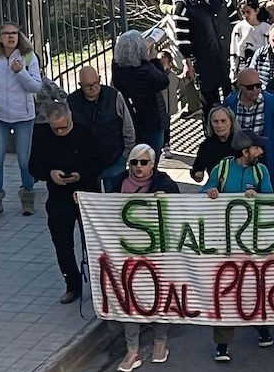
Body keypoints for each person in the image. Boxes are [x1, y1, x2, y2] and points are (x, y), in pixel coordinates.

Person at [102, 142, 179, 371]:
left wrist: (167, 199)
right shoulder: (119, 183)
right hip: (127, 254)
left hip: (157, 255)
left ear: (153, 164)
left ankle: (159, 342)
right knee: (129, 300)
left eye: (143, 162)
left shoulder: (165, 183)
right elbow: (105, 210)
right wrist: (86, 202)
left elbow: (180, 211)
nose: (138, 166)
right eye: (134, 162)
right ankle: (132, 350)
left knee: (159, 297)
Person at [201, 129, 274, 362]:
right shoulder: (220, 170)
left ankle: (261, 326)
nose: (261, 151)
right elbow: (203, 194)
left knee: (256, 286)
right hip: (225, 242)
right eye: (257, 147)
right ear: (246, 151)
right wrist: (210, 191)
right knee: (224, 291)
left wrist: (259, 195)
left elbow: (272, 201)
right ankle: (222, 344)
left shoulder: (261, 170)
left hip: (253, 243)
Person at [28, 103, 102, 303]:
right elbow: (33, 166)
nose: (60, 131)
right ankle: (72, 284)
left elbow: (99, 162)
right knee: (62, 244)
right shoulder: (42, 135)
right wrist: (49, 174)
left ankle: (100, 285)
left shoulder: (85, 134)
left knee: (93, 243)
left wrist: (82, 175)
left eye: (64, 127)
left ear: (70, 119)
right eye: (56, 128)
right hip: (58, 198)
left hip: (86, 196)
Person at [0, 21, 43, 217]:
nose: (11, 36)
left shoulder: (28, 56)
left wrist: (20, 72)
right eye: (6, 33)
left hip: (23, 116)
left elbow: (36, 87)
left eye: (14, 33)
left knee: (24, 161)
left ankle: (28, 199)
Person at [172, 0, 232, 110]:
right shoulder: (184, 5)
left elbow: (233, 17)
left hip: (226, 55)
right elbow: (182, 37)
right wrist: (188, 61)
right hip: (204, 60)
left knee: (231, 98)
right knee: (210, 103)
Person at [225, 69, 274, 189]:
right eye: (250, 87)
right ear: (239, 86)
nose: (255, 90)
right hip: (238, 166)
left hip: (266, 164)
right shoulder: (230, 103)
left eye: (258, 86)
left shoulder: (273, 104)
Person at [68, 66, 135, 180]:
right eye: (87, 86)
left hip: (114, 158)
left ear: (99, 79)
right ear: (80, 85)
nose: (93, 88)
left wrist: (125, 154)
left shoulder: (114, 96)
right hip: (85, 163)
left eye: (96, 83)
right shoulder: (72, 101)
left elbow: (127, 126)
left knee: (114, 195)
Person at [112, 30, 170, 159]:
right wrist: (154, 60)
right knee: (151, 157)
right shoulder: (146, 68)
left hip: (130, 118)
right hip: (151, 120)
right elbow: (163, 81)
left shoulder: (117, 68)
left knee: (136, 159)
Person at [191, 105, 239, 181]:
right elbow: (197, 169)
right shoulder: (207, 145)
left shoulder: (241, 143)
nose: (219, 125)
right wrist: (198, 174)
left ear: (231, 122)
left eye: (223, 121)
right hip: (215, 188)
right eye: (215, 121)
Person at [229, 0, 271, 79]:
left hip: (262, 65)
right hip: (243, 64)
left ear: (257, 10)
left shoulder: (266, 28)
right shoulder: (238, 27)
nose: (245, 15)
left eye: (248, 12)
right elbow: (233, 49)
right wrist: (233, 69)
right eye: (243, 13)